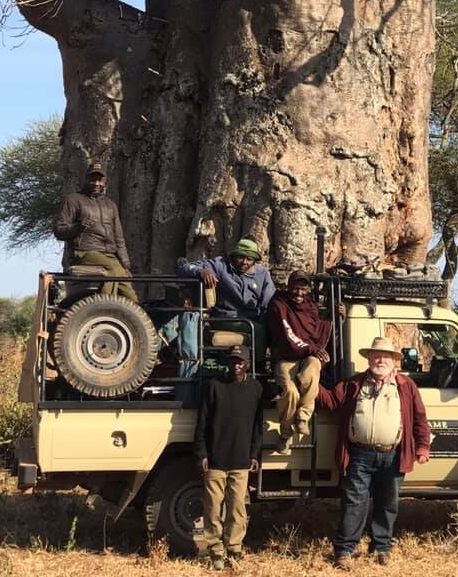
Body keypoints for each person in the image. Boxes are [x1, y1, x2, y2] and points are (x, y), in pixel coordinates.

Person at [317, 336, 431, 569]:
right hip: (359, 454)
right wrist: (311, 379)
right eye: (376, 355)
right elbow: (329, 401)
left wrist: (422, 447)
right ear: (369, 358)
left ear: (393, 360)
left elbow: (420, 418)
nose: (380, 360)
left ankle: (382, 548)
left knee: (387, 504)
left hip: (394, 454)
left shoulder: (406, 386)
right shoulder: (354, 384)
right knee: (354, 503)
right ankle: (345, 550)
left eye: (386, 356)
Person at [195, 345, 263, 570]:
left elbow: (257, 426)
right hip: (215, 460)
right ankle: (215, 551)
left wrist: (254, 454)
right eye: (233, 361)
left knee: (237, 509)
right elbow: (202, 424)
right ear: (227, 363)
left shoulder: (255, 389)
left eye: (241, 361)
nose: (236, 365)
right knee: (212, 508)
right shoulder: (214, 386)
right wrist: (202, 453)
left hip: (241, 461)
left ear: (248, 365)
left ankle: (234, 549)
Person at [266, 269, 336, 453]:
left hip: (306, 356)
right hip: (286, 357)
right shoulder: (278, 305)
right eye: (296, 289)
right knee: (290, 392)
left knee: (313, 368)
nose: (299, 293)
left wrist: (337, 316)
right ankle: (286, 435)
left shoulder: (310, 307)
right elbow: (287, 334)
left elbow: (317, 329)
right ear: (288, 287)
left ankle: (302, 418)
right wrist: (313, 349)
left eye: (303, 289)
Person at [53, 161, 138, 302]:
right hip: (83, 252)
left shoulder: (110, 205)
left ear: (104, 182)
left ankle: (135, 316)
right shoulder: (73, 200)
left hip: (109, 256)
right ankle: (104, 308)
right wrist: (78, 227)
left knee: (129, 292)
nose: (96, 183)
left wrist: (125, 266)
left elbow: (119, 238)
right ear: (86, 179)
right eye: (92, 179)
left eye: (99, 180)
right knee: (111, 271)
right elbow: (59, 231)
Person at [178, 238, 276, 321]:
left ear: (254, 261)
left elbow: (269, 302)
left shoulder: (263, 274)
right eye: (240, 257)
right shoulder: (221, 265)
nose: (244, 262)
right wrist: (201, 271)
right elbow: (184, 268)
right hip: (226, 318)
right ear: (233, 257)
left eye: (249, 259)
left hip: (253, 319)